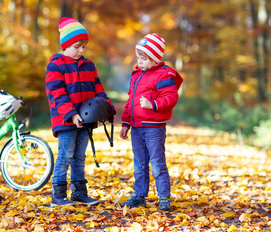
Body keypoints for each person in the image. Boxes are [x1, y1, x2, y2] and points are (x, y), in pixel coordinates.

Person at [45, 17, 115, 207]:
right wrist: (71, 114)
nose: (81, 50)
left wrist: (108, 107)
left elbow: (98, 89)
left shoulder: (89, 65)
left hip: (86, 120)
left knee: (79, 157)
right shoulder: (55, 66)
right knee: (65, 155)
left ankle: (79, 193)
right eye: (77, 46)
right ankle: (58, 195)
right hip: (66, 120)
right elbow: (57, 93)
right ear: (65, 45)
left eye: (84, 46)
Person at [119, 33, 183, 211]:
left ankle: (164, 197)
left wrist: (152, 104)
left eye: (144, 58)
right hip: (137, 128)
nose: (140, 61)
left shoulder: (164, 75)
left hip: (154, 128)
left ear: (155, 58)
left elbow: (170, 97)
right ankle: (139, 195)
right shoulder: (137, 75)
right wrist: (125, 123)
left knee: (156, 162)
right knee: (139, 163)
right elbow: (130, 101)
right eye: (138, 57)